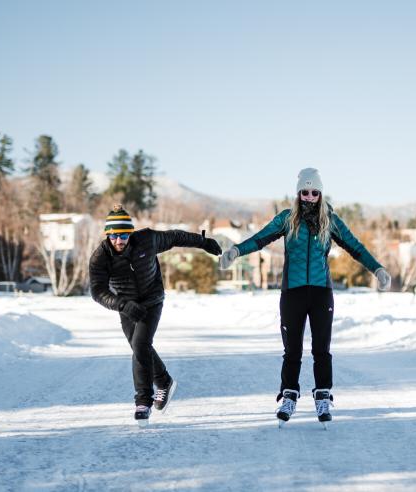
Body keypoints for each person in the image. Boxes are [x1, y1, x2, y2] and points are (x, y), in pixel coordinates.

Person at [220, 168, 392, 426]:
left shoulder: (330, 220)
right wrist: (235, 251)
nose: (309, 196)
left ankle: (322, 396)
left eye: (314, 192)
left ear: (320, 194)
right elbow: (259, 240)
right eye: (305, 191)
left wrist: (377, 268)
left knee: (322, 349)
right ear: (298, 193)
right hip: (293, 293)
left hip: (322, 293)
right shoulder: (287, 219)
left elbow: (356, 247)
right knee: (292, 350)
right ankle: (289, 395)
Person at [89, 205, 222, 425]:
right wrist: (122, 304)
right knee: (139, 346)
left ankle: (143, 402)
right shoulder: (100, 257)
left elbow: (175, 236)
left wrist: (203, 242)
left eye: (123, 235)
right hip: (127, 305)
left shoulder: (147, 239)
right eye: (114, 236)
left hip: (152, 300)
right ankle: (164, 381)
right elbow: (97, 291)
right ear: (108, 235)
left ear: (130, 233)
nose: (119, 241)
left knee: (140, 344)